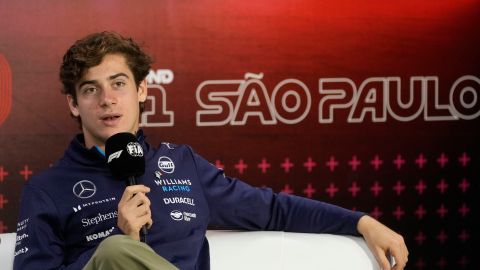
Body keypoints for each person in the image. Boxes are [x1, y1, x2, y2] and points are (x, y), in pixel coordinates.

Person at [13, 31, 408, 270]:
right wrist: (117, 241)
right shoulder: (48, 189)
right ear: (73, 104)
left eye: (118, 83)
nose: (107, 100)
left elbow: (271, 209)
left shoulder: (182, 165)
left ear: (143, 90)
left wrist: (361, 222)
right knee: (117, 249)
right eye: (90, 89)